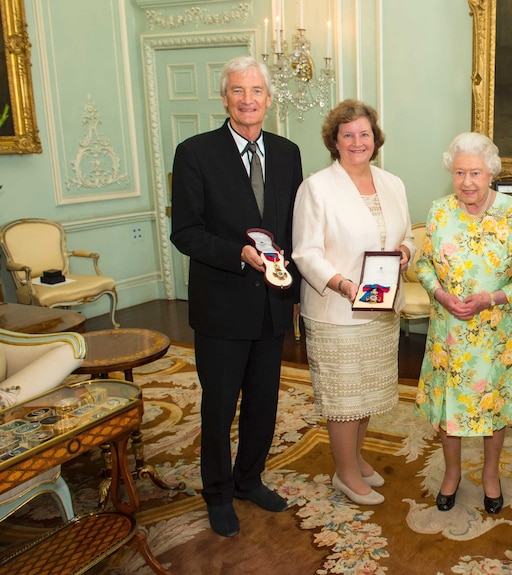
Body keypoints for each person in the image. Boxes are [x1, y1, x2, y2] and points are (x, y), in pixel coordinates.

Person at [170, 56, 302, 537]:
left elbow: (292, 229)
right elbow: (185, 232)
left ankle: (250, 480)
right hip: (222, 305)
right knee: (220, 406)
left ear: (269, 99)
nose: (249, 100)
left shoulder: (288, 153)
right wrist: (239, 254)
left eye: (257, 92)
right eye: (238, 91)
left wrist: (298, 295)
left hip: (272, 306)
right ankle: (218, 493)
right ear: (224, 98)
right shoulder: (195, 152)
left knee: (264, 403)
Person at [291, 99, 414, 506]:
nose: (357, 142)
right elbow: (305, 253)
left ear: (375, 140)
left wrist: (406, 254)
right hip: (337, 309)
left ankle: (356, 459)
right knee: (344, 397)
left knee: (365, 393)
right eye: (348, 135)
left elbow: (407, 237)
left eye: (364, 134)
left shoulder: (392, 183)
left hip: (381, 308)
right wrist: (343, 284)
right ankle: (344, 473)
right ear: (335, 141)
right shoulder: (317, 187)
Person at [414, 132, 512, 515]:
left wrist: (493, 297)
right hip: (448, 329)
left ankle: (490, 473)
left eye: (475, 173)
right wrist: (440, 295)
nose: (467, 182)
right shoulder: (439, 211)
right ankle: (451, 473)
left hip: (495, 333)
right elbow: (423, 264)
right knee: (449, 408)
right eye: (459, 172)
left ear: (491, 174)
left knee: (494, 404)